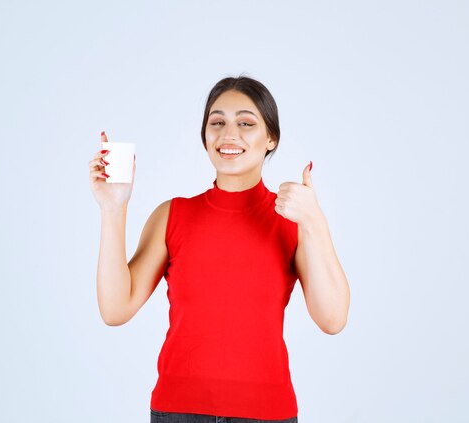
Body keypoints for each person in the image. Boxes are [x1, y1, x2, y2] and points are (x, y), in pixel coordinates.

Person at [89, 75, 350, 422]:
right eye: (217, 122)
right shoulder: (172, 215)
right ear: (205, 136)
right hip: (178, 412)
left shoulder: (293, 220)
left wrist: (314, 221)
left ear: (271, 138)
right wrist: (113, 207)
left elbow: (333, 319)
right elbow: (115, 309)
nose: (229, 134)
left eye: (246, 122)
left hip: (266, 413)